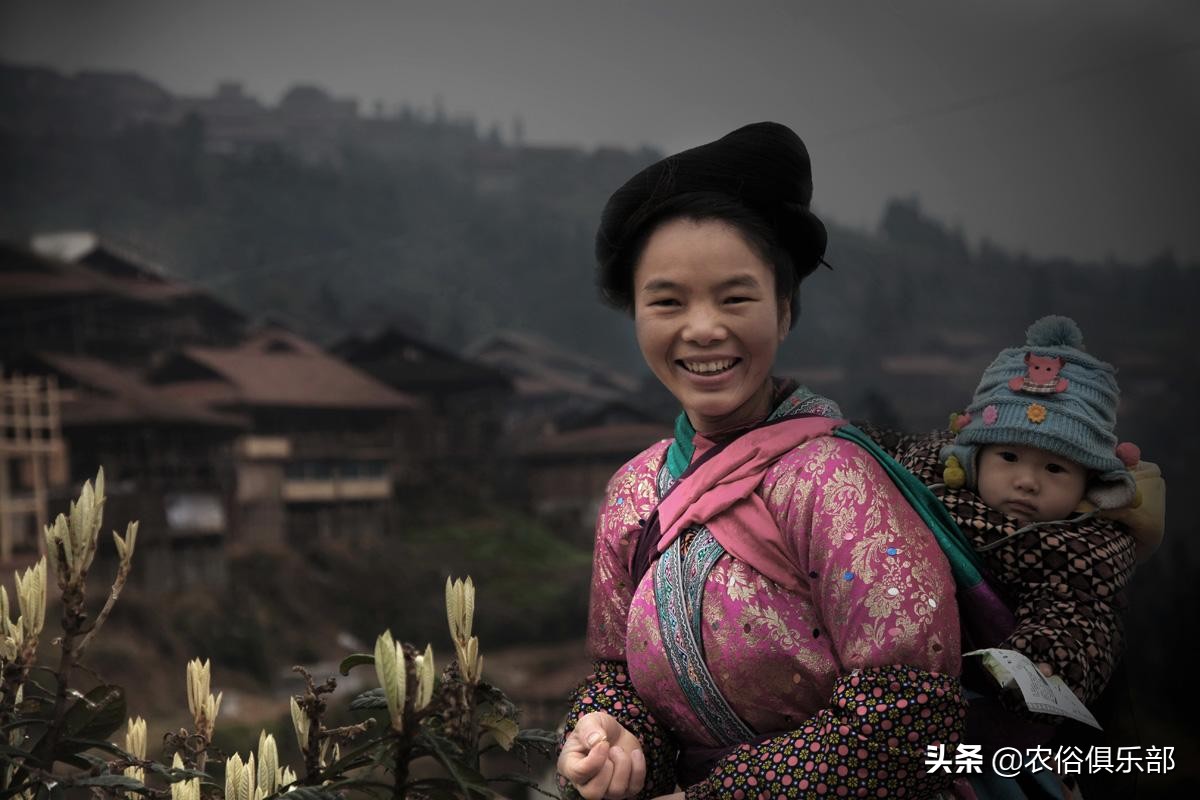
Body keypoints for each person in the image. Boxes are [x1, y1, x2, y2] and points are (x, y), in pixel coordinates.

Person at [555, 122, 969, 800]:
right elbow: (615, 674)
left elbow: (909, 713)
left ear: (783, 310)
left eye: (735, 297)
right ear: (635, 316)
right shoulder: (634, 492)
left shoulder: (835, 482)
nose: (703, 328)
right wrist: (610, 733)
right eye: (667, 301)